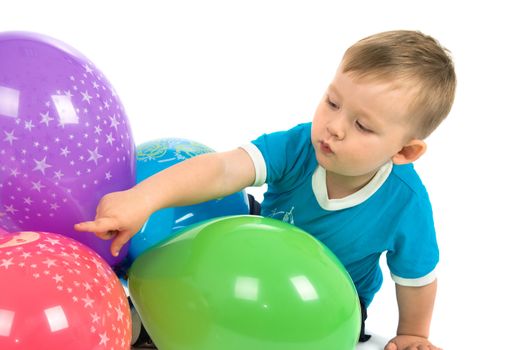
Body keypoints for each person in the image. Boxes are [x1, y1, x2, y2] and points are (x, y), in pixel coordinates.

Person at [75, 30, 455, 350]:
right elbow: (225, 168)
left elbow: (416, 277)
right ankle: (142, 300)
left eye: (362, 126)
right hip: (259, 246)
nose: (334, 127)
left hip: (323, 298)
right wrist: (144, 199)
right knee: (207, 232)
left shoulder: (406, 203)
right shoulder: (299, 146)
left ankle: (157, 328)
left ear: (405, 151)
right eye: (333, 102)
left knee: (241, 320)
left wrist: (413, 333)